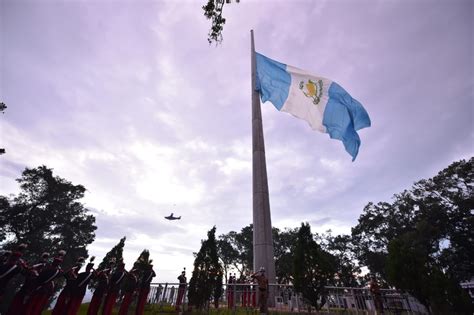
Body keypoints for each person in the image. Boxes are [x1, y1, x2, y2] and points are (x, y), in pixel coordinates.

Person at [26, 250, 66, 315]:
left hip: (38, 288)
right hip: (46, 290)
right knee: (37, 307)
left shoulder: (48, 268)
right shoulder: (58, 271)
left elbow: (40, 277)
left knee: (31, 305)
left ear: (54, 261)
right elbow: (62, 273)